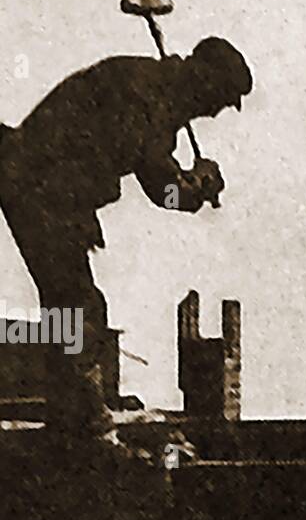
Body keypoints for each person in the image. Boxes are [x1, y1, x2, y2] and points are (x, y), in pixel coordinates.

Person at [0, 37, 252, 450]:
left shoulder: (151, 86)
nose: (211, 113)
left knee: (73, 304)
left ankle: (74, 417)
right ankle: (83, 426)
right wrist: (199, 183)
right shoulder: (152, 101)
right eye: (217, 102)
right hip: (38, 188)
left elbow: (159, 177)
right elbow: (163, 189)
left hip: (41, 185)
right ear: (203, 83)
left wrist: (190, 181)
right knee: (77, 306)